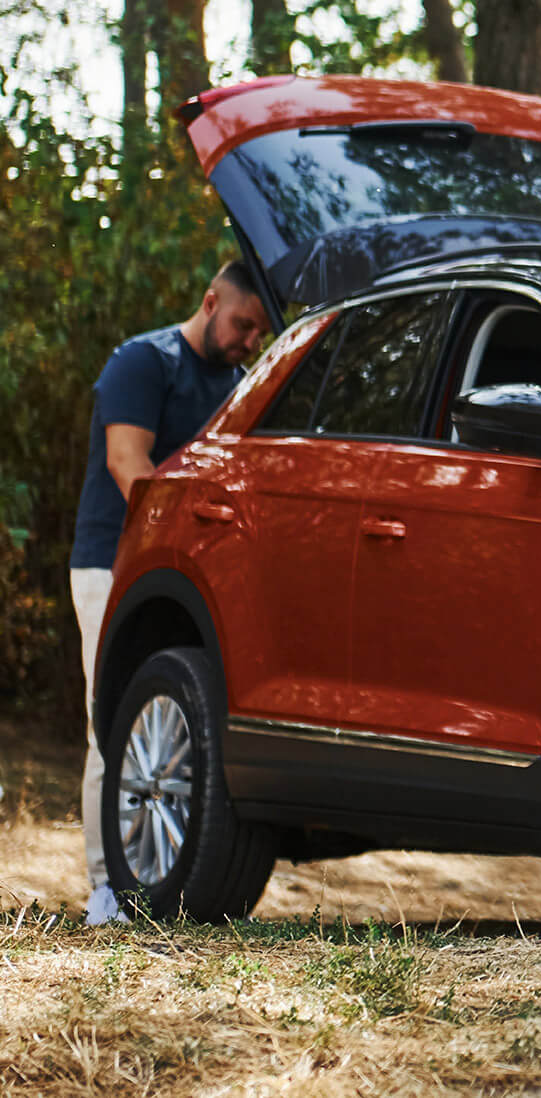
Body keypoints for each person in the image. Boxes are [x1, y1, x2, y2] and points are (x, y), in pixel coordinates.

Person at [69, 260, 270, 925]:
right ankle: (106, 891)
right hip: (110, 564)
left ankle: (159, 881)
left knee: (175, 733)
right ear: (210, 301)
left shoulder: (241, 388)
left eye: (258, 333)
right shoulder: (144, 362)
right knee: (115, 727)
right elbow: (129, 464)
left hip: (186, 579)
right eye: (243, 324)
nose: (248, 341)